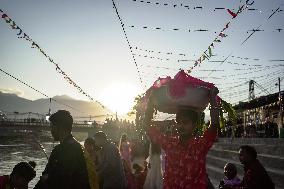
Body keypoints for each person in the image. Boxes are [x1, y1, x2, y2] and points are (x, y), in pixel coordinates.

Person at [146, 87, 220, 189]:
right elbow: (148, 127)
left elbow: (214, 125)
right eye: (179, 123)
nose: (181, 126)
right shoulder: (169, 143)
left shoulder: (200, 145)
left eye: (185, 122)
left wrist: (212, 99)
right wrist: (150, 101)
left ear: (194, 125)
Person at [34, 110, 98, 189]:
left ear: (58, 127)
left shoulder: (62, 150)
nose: (51, 130)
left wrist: (47, 178)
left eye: (52, 126)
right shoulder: (78, 147)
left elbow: (58, 181)